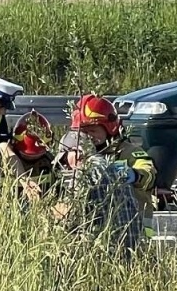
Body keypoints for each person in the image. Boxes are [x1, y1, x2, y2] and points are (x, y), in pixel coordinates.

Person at [66, 94, 157, 238]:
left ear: (109, 128)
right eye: (83, 132)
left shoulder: (129, 151)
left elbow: (150, 174)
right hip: (99, 225)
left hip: (134, 227)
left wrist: (135, 174)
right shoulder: (82, 153)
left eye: (93, 131)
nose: (88, 136)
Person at [54, 129, 145, 255]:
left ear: (77, 152)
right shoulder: (111, 167)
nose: (65, 165)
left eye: (64, 159)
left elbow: (70, 215)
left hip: (107, 250)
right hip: (131, 246)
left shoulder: (86, 175)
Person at [0, 110, 57, 203]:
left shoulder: (49, 162)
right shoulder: (3, 159)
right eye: (26, 155)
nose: (31, 158)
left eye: (37, 155)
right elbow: (4, 148)